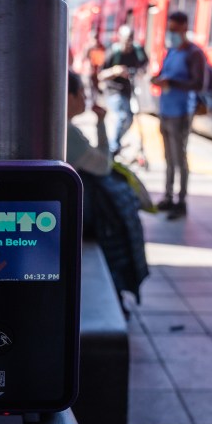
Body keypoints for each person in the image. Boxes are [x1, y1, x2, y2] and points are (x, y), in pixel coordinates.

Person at [66, 71, 149, 310]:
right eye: (81, 93)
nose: (85, 98)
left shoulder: (62, 128)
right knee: (117, 208)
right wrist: (101, 123)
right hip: (81, 217)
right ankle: (119, 289)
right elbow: (103, 166)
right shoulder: (67, 132)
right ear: (68, 97)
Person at [151, 11, 204, 219]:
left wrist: (172, 83)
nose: (171, 33)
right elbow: (164, 74)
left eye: (174, 29)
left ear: (184, 27)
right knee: (168, 157)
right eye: (169, 29)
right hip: (165, 110)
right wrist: (158, 80)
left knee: (179, 157)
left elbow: (198, 83)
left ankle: (181, 201)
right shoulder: (171, 51)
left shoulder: (194, 53)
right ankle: (168, 196)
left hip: (181, 112)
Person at [99, 25, 147, 158]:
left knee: (129, 118)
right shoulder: (113, 52)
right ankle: (113, 148)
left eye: (130, 40)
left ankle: (115, 144)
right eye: (125, 41)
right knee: (121, 116)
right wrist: (115, 71)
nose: (127, 44)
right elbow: (101, 75)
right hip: (113, 90)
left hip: (128, 90)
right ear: (120, 38)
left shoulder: (138, 51)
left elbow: (144, 65)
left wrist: (139, 72)